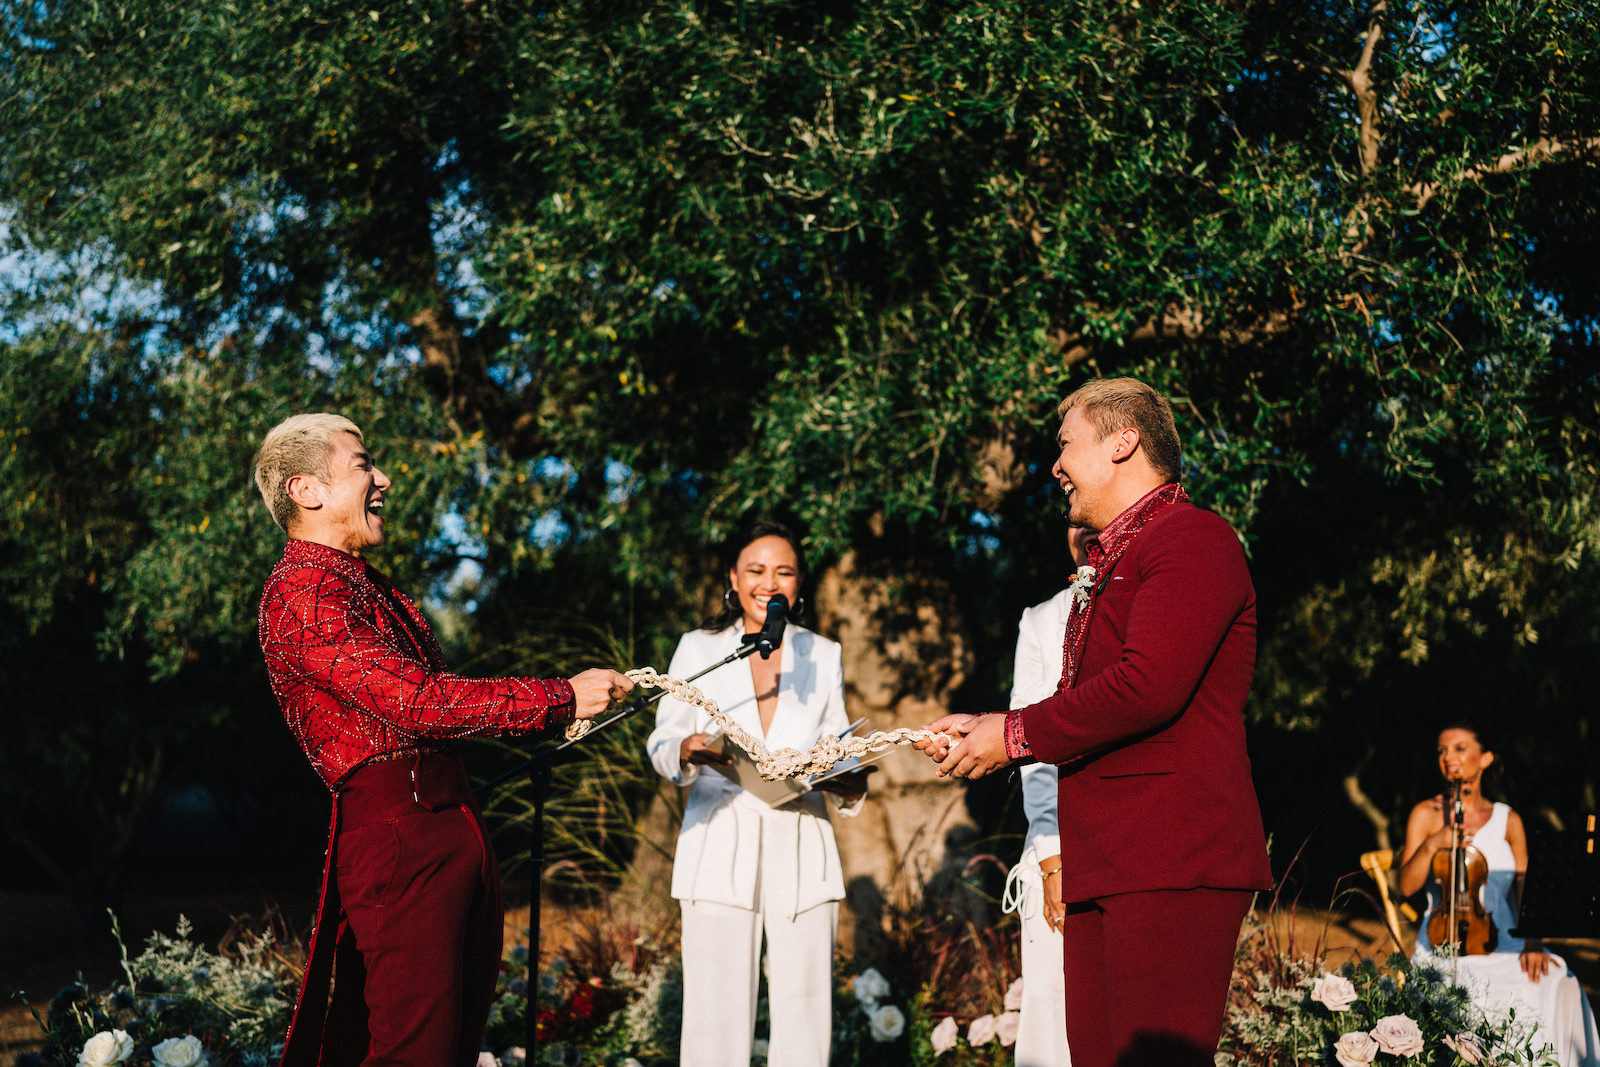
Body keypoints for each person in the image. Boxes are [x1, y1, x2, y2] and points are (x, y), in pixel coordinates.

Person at [252, 412, 634, 1067]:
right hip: (400, 836)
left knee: (451, 1048)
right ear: (306, 490)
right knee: (414, 1052)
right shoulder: (302, 589)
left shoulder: (358, 582)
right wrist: (559, 697)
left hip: (447, 822)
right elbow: (416, 700)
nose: (385, 478)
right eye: (363, 463)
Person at [916, 377, 1272, 1067]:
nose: (1054, 465)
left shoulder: (1193, 537)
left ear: (1123, 441)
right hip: (1104, 859)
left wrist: (1010, 736)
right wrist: (994, 722)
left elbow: (1147, 687)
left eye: (1065, 444)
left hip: (1172, 856)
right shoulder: (1109, 563)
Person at [645, 521, 870, 1067]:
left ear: (799, 586)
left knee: (806, 1012)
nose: (770, 582)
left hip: (802, 840)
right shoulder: (699, 648)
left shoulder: (824, 653)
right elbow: (661, 740)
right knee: (713, 1019)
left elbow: (839, 742)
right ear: (733, 578)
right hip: (719, 839)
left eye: (784, 571)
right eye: (756, 570)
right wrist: (688, 748)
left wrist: (846, 772)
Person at [1397, 723, 1600, 1067]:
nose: (1449, 757)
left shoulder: (1508, 820)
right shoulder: (1426, 814)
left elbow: (1524, 889)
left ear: (1485, 758)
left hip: (1507, 939)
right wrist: (1434, 842)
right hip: (1443, 943)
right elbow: (1404, 887)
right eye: (1442, 751)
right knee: (1478, 989)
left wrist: (1533, 943)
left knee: (1558, 978)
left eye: (1460, 748)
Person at [999, 525, 1090, 1067]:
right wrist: (1053, 861)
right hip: (1056, 848)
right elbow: (1030, 742)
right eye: (1072, 518)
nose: (1082, 530)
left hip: (1130, 844)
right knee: (1052, 1015)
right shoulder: (1040, 620)